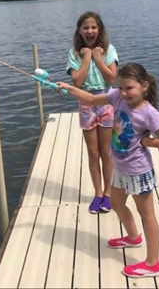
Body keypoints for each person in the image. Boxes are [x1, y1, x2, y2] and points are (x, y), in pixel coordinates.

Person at [56, 62, 159, 278]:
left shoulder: (149, 113)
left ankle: (153, 263)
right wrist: (70, 88)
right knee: (115, 203)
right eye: (120, 87)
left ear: (144, 86)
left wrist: (148, 143)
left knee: (146, 214)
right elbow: (93, 99)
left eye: (129, 88)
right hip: (121, 168)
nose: (123, 93)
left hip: (139, 171)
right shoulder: (116, 98)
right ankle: (133, 237)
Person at [67, 11, 118, 214]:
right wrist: (86, 59)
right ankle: (97, 193)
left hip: (106, 100)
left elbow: (112, 79)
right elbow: (77, 82)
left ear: (100, 29)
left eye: (93, 27)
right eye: (85, 27)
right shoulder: (74, 53)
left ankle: (108, 193)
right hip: (86, 102)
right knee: (93, 151)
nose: (90, 31)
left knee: (106, 151)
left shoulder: (109, 50)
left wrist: (98, 58)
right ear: (79, 31)